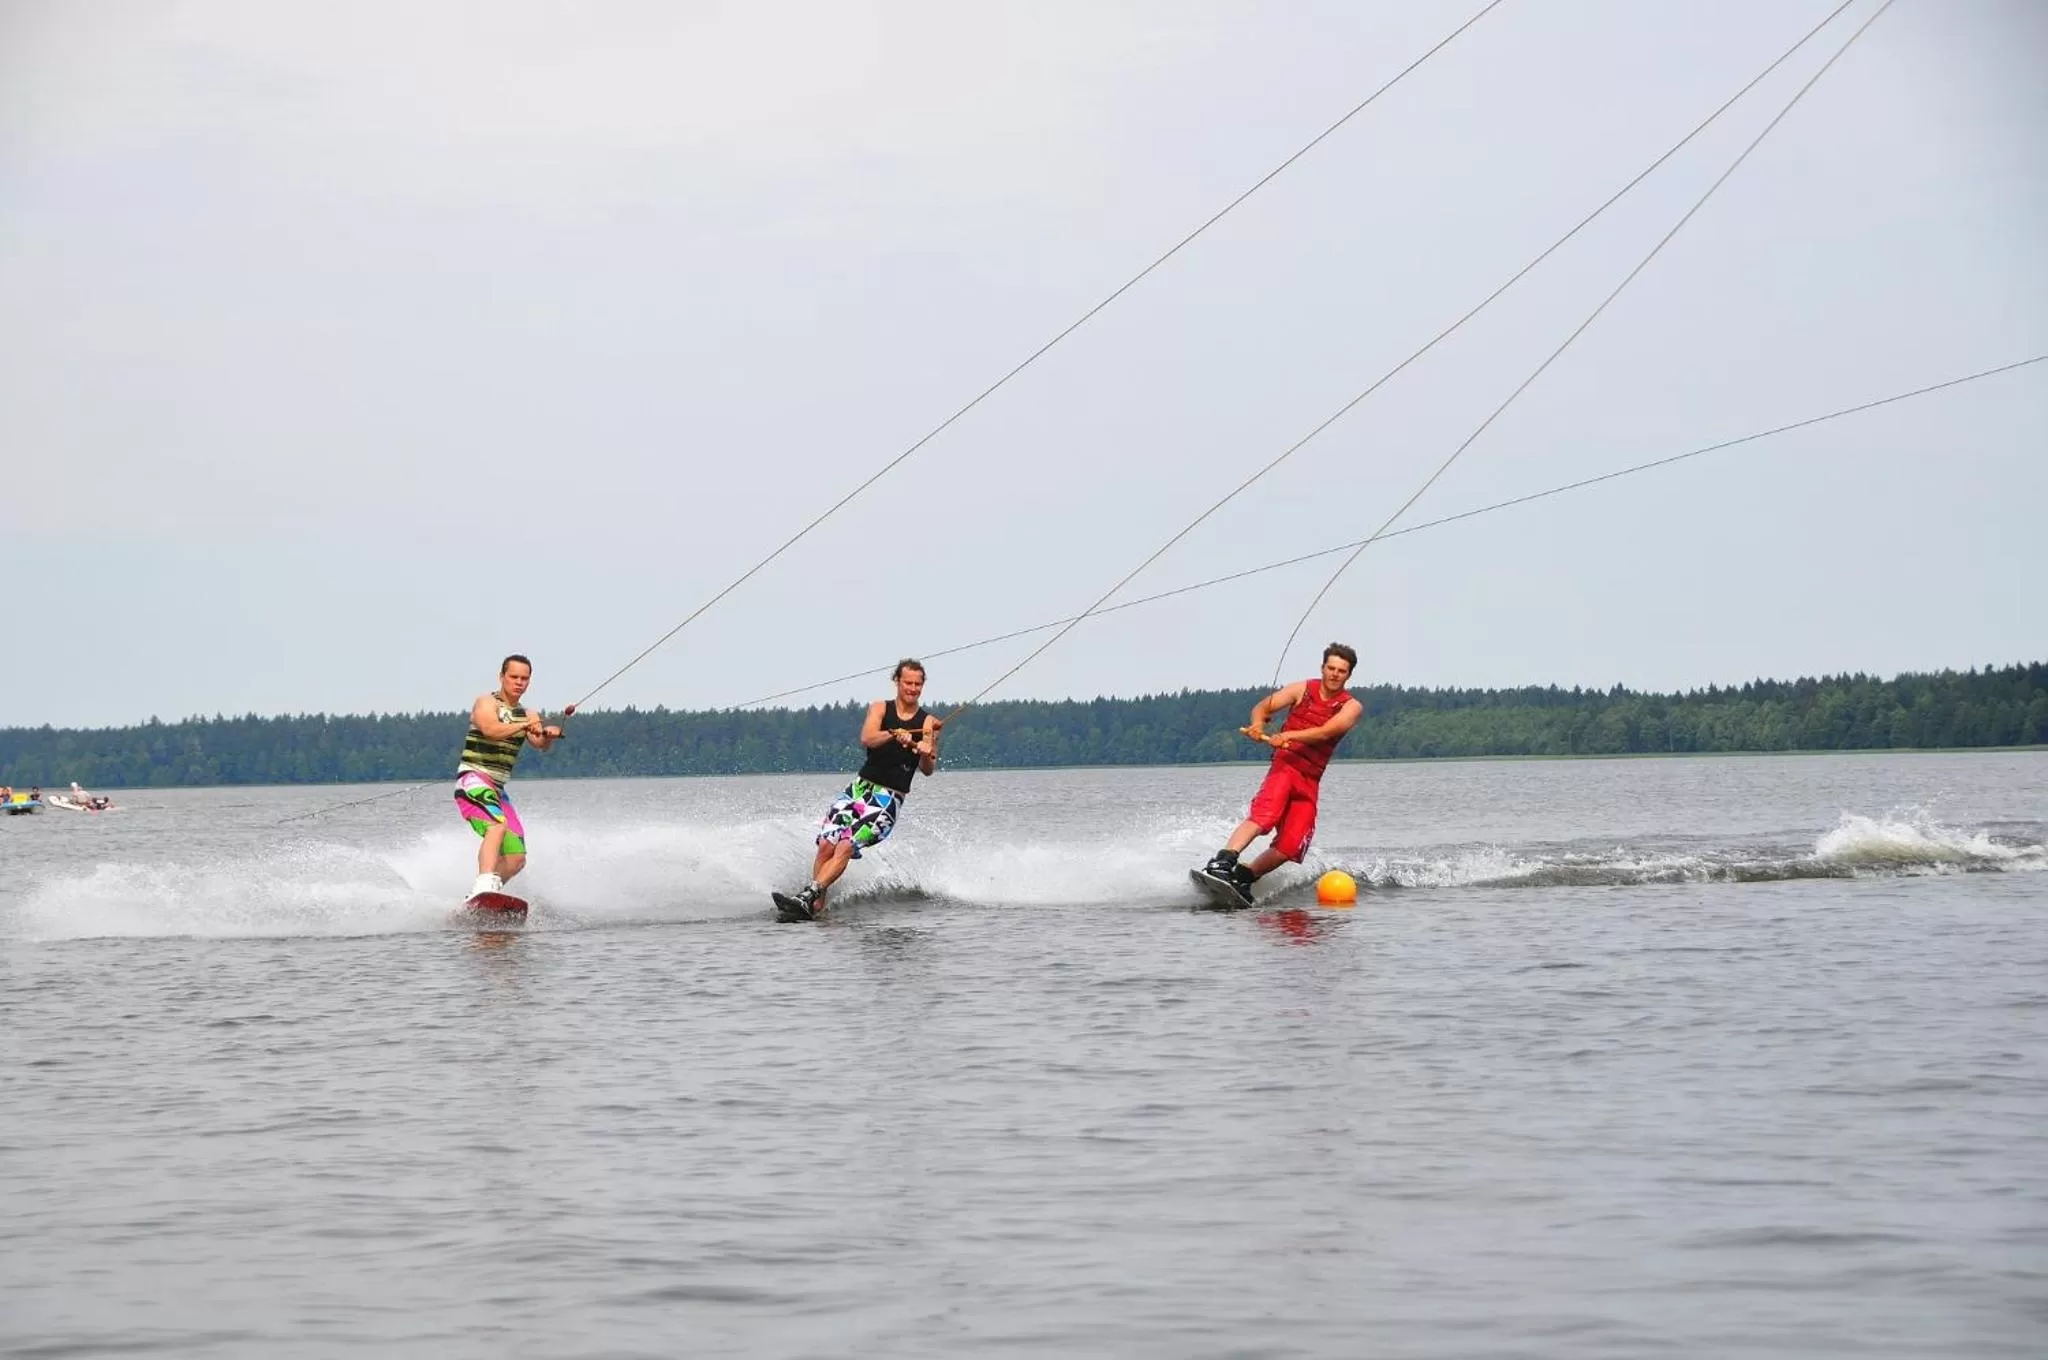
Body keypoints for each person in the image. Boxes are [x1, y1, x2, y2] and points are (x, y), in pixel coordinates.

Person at [1197, 643, 1364, 903]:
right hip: (1285, 767)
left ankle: (1244, 877)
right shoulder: (1301, 689)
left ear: (1348, 675)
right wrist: (1257, 724)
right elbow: (1263, 707)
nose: (1334, 674)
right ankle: (1222, 862)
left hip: (1310, 779)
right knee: (1264, 816)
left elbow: (1326, 732)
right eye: (1331, 668)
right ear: (1322, 668)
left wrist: (1288, 735)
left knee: (1292, 844)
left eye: (1341, 671)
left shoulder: (1351, 707)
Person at [777, 659, 942, 918]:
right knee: (827, 843)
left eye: (917, 684)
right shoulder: (880, 708)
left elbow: (928, 768)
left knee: (845, 845)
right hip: (859, 790)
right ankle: (815, 906)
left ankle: (808, 894)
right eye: (908, 683)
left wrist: (924, 750)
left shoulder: (928, 722)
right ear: (897, 682)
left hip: (888, 799)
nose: (912, 688)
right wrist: (894, 734)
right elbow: (868, 738)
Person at [454, 654, 570, 901]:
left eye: (524, 679)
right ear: (502, 676)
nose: (519, 682)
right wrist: (524, 726)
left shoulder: (529, 714)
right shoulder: (486, 703)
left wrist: (548, 735)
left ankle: (482, 897)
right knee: (497, 825)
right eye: (514, 677)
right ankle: (484, 885)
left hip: (497, 788)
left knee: (516, 858)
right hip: (473, 779)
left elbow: (539, 743)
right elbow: (491, 730)